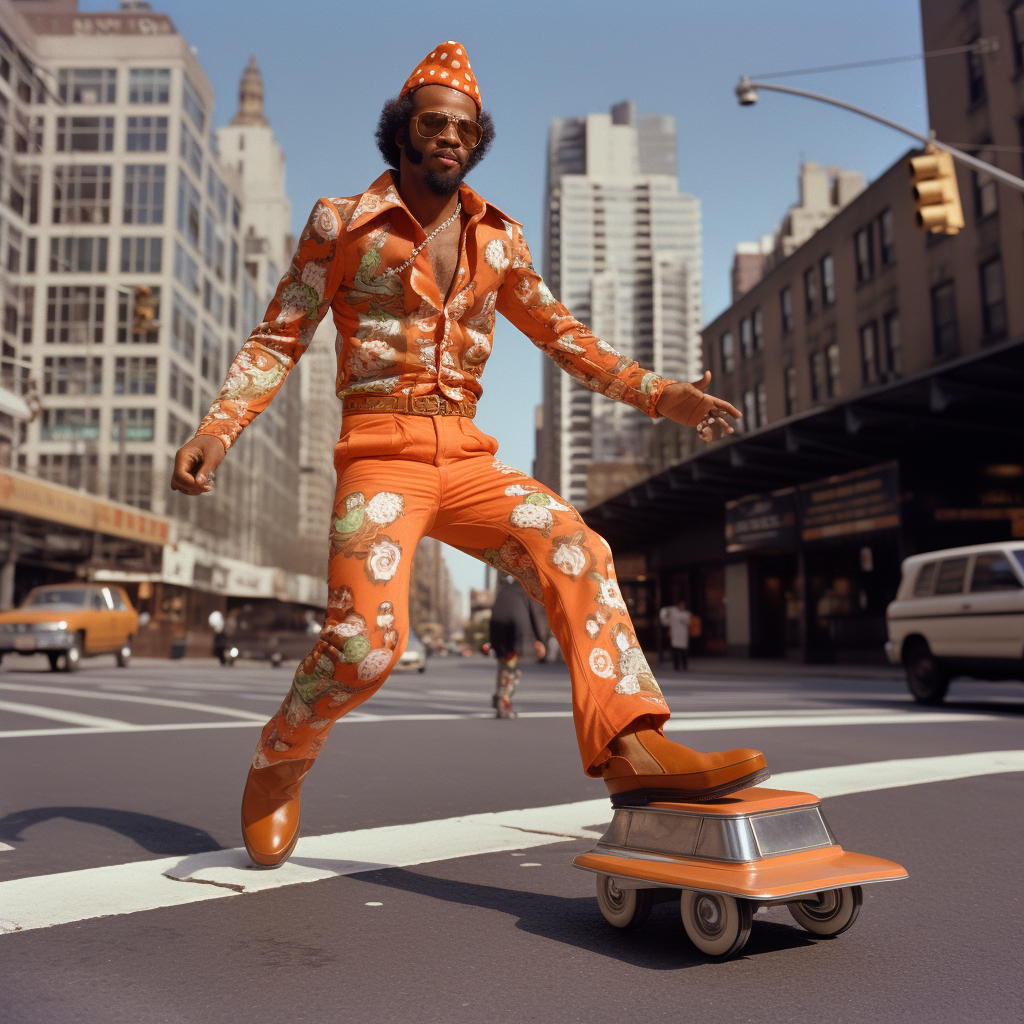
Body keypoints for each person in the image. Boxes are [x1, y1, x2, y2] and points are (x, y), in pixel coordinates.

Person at [171, 42, 768, 869]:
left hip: (468, 458)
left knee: (575, 544)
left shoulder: (502, 242)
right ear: (404, 132)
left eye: (463, 128)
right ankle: (281, 755)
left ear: (476, 139)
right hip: (382, 456)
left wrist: (667, 396)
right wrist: (216, 428)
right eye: (434, 124)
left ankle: (633, 746)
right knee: (364, 646)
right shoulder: (339, 224)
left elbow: (569, 342)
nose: (449, 137)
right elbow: (279, 336)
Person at [489, 574, 548, 718]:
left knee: (503, 664)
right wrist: (541, 639)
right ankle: (504, 704)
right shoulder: (528, 587)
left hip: (498, 630)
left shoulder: (507, 588)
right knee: (510, 670)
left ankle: (499, 698)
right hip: (513, 630)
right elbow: (536, 615)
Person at [660, 599, 692, 672]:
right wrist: (665, 613)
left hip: (683, 636)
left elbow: (688, 621)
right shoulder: (673, 615)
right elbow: (665, 622)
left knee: (683, 652)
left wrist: (672, 612)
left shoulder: (686, 614)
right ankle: (676, 666)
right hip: (675, 636)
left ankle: (684, 666)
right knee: (675, 652)